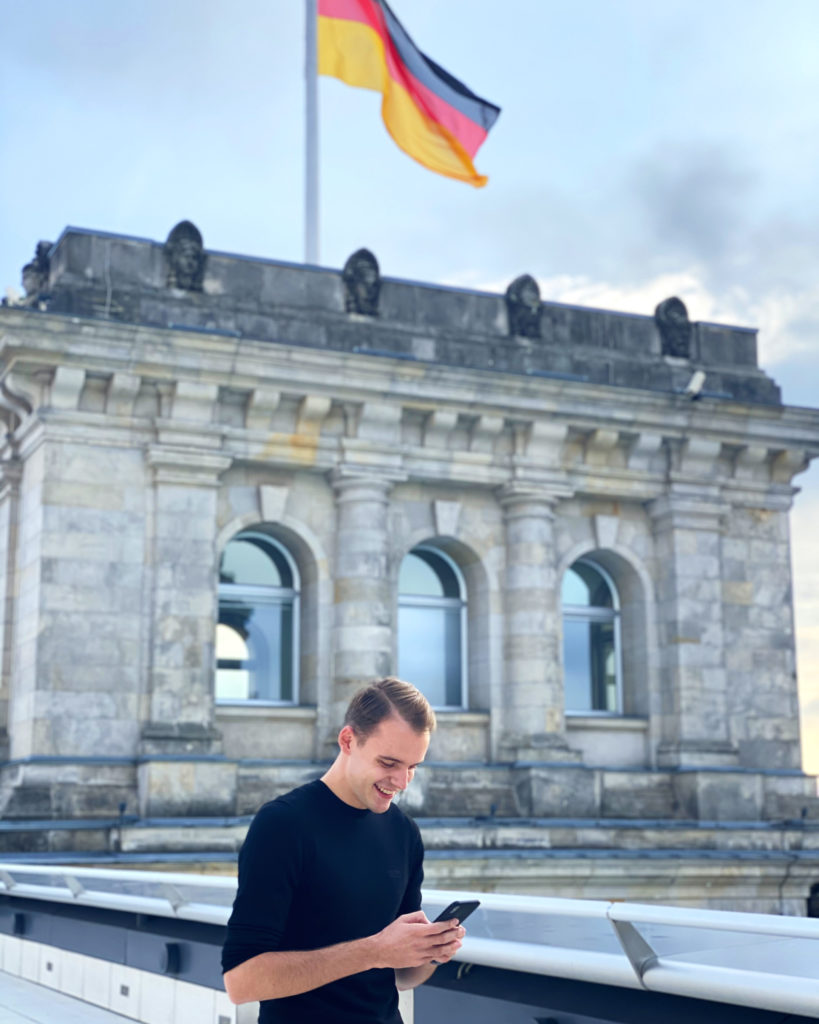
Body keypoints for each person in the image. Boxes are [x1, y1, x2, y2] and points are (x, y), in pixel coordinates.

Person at [222, 677, 465, 1023]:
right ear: (348, 740)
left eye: (412, 767)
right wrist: (374, 951)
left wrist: (431, 952)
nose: (402, 782)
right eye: (389, 763)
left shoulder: (404, 832)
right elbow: (242, 981)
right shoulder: (282, 824)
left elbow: (403, 975)